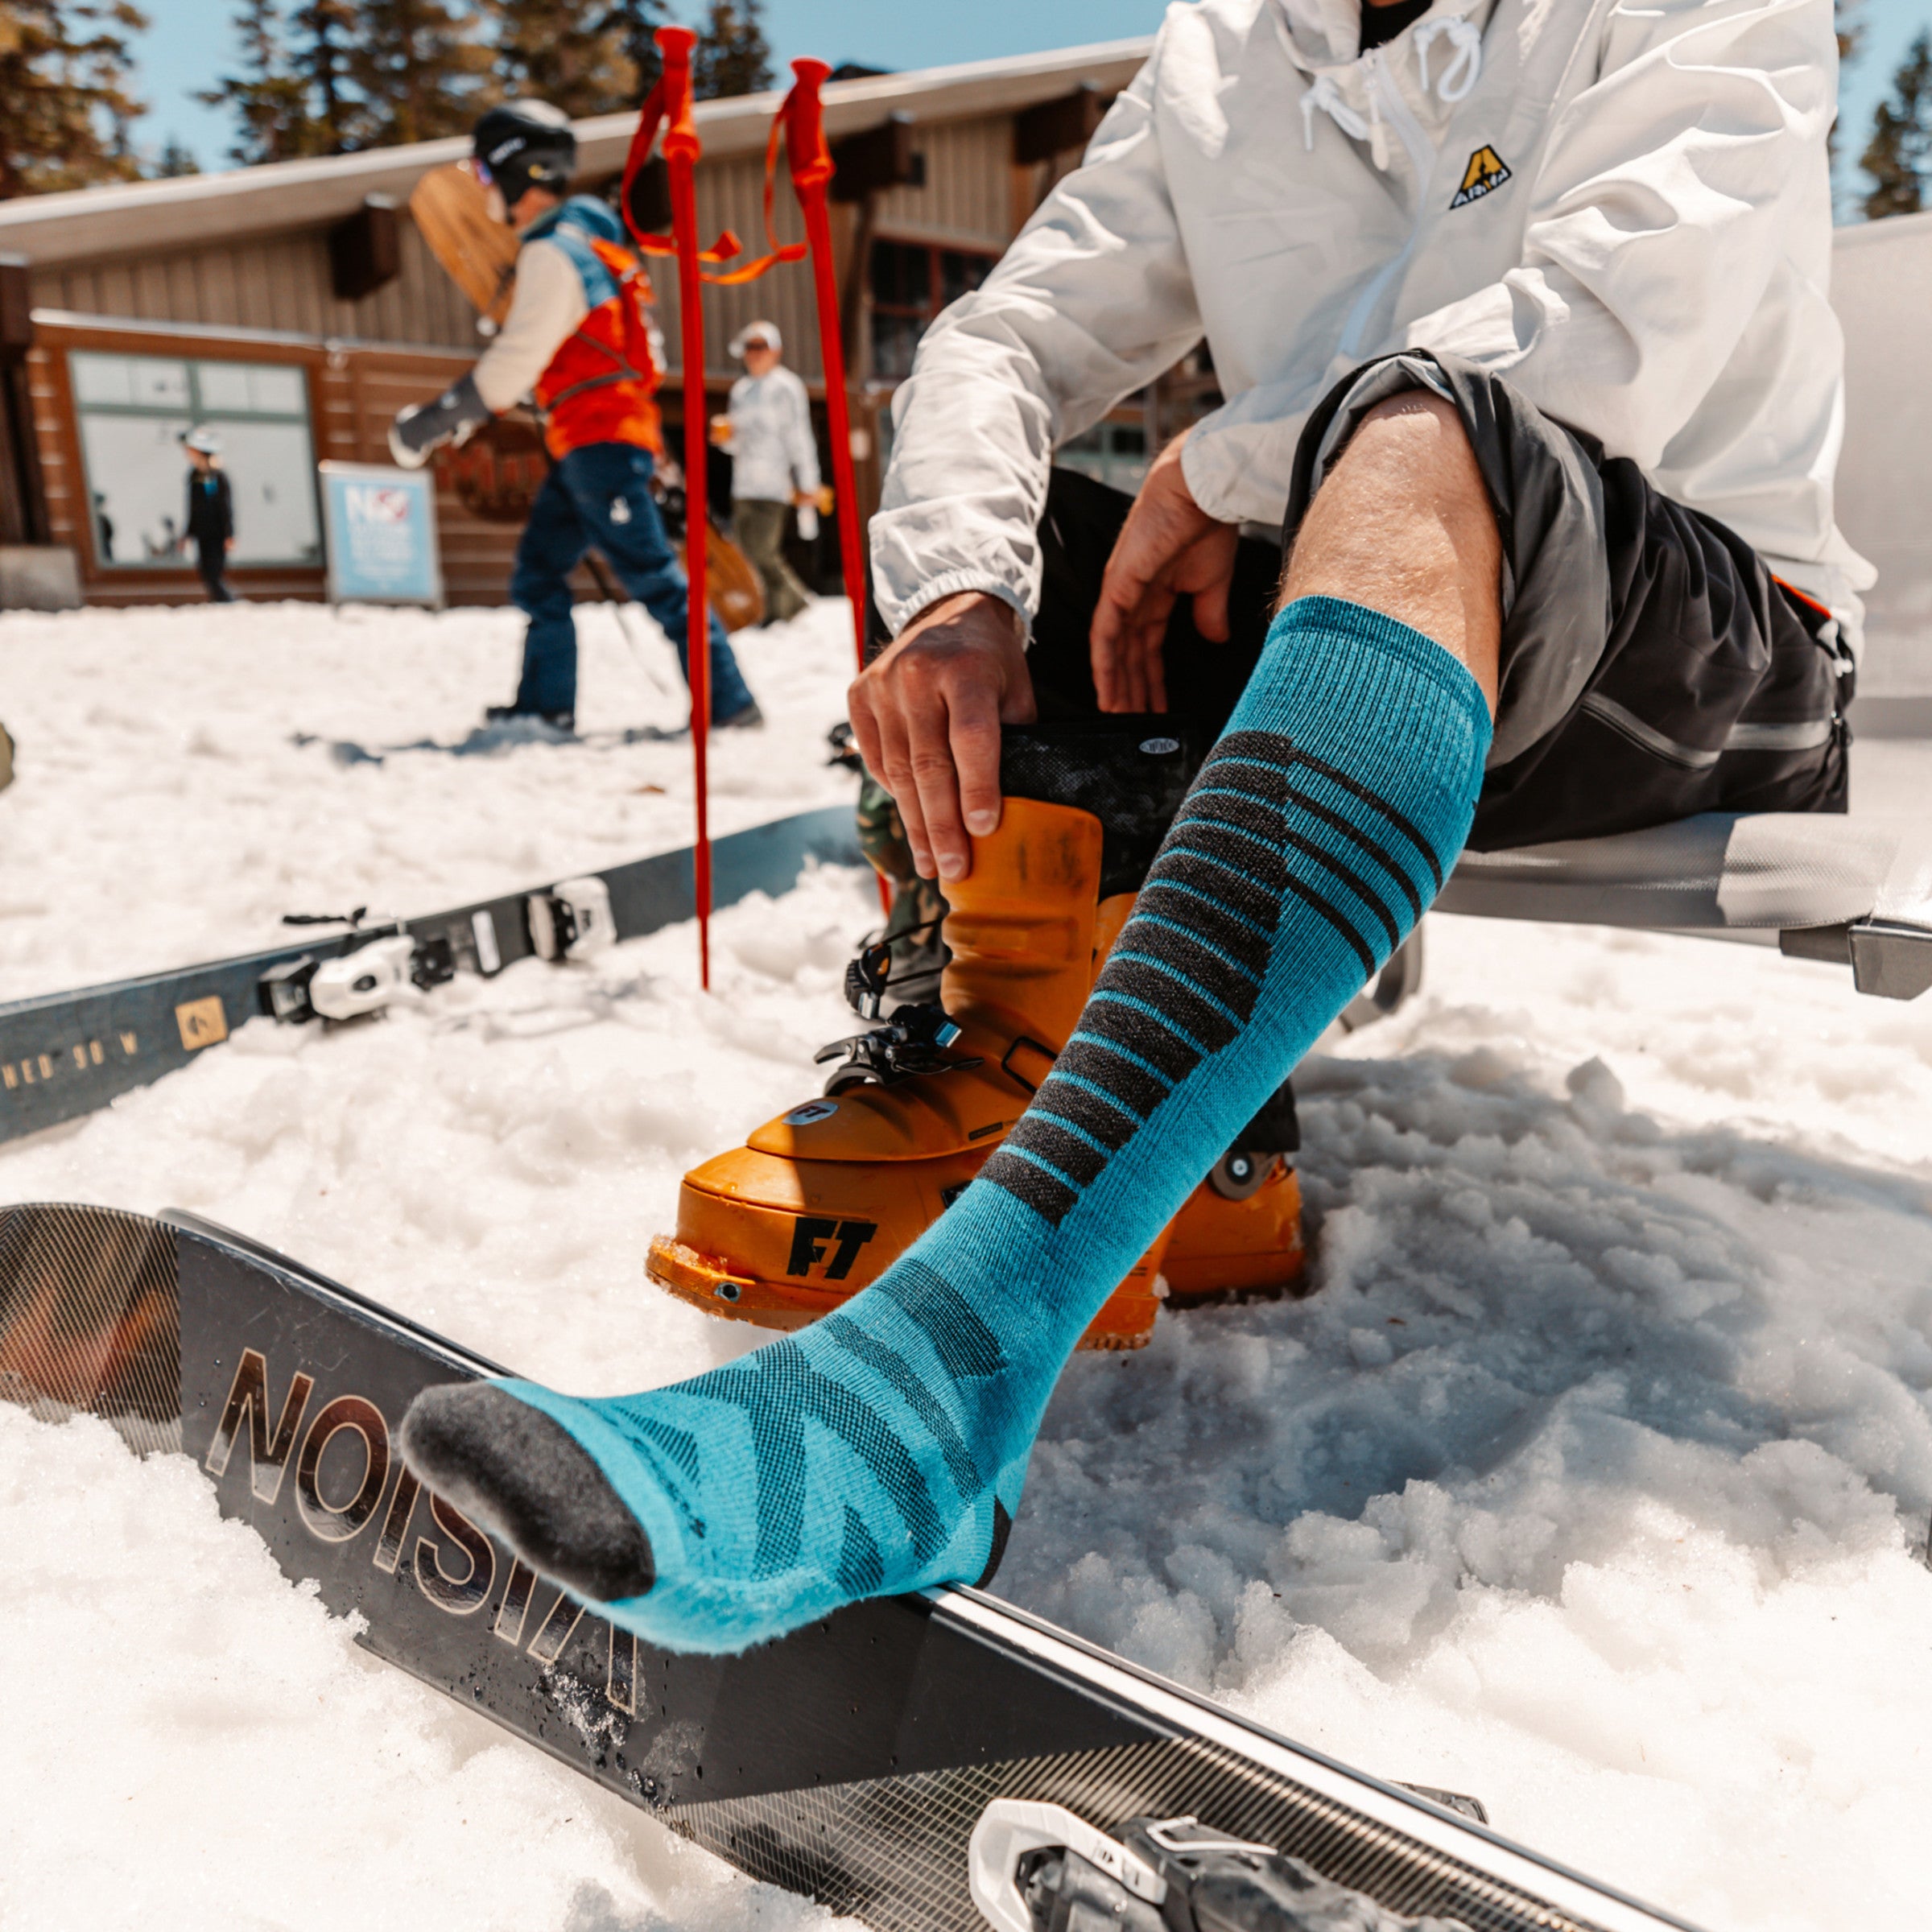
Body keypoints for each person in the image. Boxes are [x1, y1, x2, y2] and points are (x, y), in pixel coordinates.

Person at [401, 0, 1869, 1657]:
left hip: (1700, 643)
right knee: (1026, 553)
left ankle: (944, 1376)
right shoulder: (1234, 46)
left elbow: (1594, 336)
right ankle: (1075, 1105)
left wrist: (1222, 469)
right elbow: (999, 342)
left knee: (1421, 419)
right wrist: (959, 592)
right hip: (1363, 560)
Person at [390, 100, 762, 736]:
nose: (481, 194)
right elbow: (639, 353)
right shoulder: (599, 247)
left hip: (600, 443)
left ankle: (730, 704)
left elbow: (513, 363)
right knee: (539, 572)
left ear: (516, 175)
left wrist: (431, 421)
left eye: (484, 176)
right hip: (591, 440)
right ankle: (545, 706)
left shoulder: (552, 254)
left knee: (655, 580)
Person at [716, 320, 821, 625]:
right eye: (750, 347)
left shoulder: (787, 387)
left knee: (763, 550)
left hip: (775, 485)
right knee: (745, 554)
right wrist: (727, 440)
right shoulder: (741, 390)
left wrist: (808, 482)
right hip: (744, 485)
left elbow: (798, 437)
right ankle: (766, 610)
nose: (754, 354)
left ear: (775, 351)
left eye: (760, 347)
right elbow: (738, 444)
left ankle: (792, 604)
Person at [179, 427, 234, 603]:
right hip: (203, 535)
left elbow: (225, 507)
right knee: (206, 572)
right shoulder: (194, 476)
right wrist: (188, 534)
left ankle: (228, 604)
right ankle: (221, 603)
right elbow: (194, 509)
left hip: (217, 534)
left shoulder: (217, 476)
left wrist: (229, 534)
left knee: (214, 573)